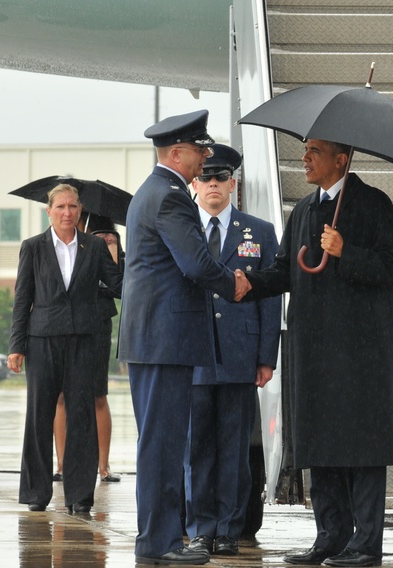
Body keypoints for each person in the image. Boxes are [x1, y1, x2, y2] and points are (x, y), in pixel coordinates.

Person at [243, 138, 393, 567]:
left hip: (360, 354)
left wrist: (345, 252)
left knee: (362, 446)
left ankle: (366, 543)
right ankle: (331, 536)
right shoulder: (303, 211)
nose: (305, 157)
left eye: (315, 150)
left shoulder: (373, 205)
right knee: (322, 442)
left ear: (341, 158)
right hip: (313, 351)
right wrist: (249, 283)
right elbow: (284, 269)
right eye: (305, 149)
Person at [117, 110, 251, 565]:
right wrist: (231, 281)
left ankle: (160, 538)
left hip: (155, 337)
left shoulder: (153, 192)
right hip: (163, 337)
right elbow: (195, 263)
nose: (205, 157)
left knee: (162, 442)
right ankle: (161, 543)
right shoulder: (171, 197)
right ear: (177, 152)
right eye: (199, 150)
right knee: (163, 445)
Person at [184, 145, 281, 556]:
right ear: (194, 183)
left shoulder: (257, 232)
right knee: (197, 450)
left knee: (235, 451)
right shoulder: (182, 226)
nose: (212, 185)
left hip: (240, 356)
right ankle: (200, 528)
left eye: (220, 178)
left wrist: (266, 356)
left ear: (233, 184)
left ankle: (228, 528)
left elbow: (270, 297)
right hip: (193, 355)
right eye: (205, 178)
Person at [7, 183, 122, 514]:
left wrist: (117, 255)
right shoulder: (33, 247)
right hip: (42, 340)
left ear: (80, 210)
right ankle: (35, 493)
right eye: (61, 207)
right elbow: (22, 300)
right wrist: (16, 346)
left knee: (82, 417)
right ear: (49, 211)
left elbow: (118, 287)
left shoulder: (95, 247)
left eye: (73, 207)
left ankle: (80, 496)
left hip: (84, 340)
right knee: (39, 416)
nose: (67, 213)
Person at [52, 213, 123, 484]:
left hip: (96, 324)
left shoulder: (107, 240)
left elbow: (119, 286)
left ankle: (103, 466)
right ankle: (61, 464)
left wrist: (112, 250)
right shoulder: (59, 244)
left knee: (97, 394)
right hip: (63, 323)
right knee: (60, 396)